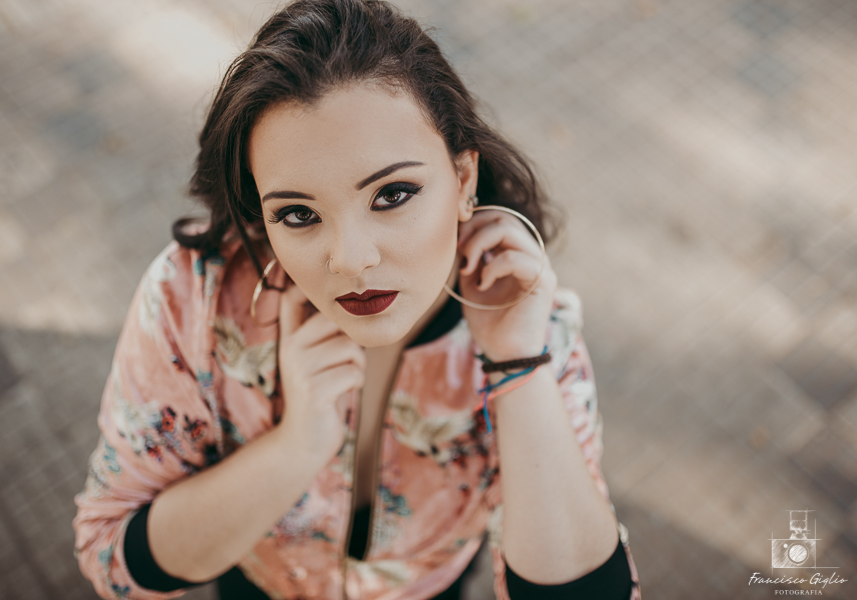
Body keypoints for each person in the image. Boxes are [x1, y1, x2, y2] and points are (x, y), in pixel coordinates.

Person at [72, 1, 641, 598]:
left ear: (463, 179)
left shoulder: (527, 316)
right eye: (298, 214)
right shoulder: (197, 298)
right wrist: (297, 445)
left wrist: (517, 364)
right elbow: (113, 558)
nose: (350, 259)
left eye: (393, 194)